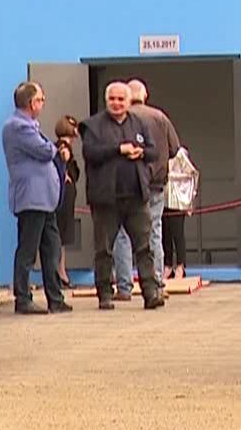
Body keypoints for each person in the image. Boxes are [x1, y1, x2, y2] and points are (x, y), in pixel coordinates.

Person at [80, 81, 164, 310]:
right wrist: (118, 149)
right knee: (104, 250)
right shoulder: (93, 125)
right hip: (106, 199)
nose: (116, 103)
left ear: (129, 101)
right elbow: (90, 153)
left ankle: (151, 292)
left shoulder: (139, 122)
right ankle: (105, 294)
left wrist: (141, 152)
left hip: (136, 196)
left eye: (121, 99)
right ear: (106, 100)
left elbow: (154, 151)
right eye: (112, 99)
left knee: (144, 247)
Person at [1, 82, 70, 315]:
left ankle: (55, 297)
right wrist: (55, 148)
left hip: (44, 200)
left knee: (52, 248)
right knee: (28, 250)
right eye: (41, 99)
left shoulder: (29, 125)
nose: (43, 103)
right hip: (32, 199)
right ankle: (22, 298)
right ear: (31, 103)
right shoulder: (18, 126)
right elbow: (45, 151)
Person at [118, 78, 180, 287]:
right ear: (145, 95)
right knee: (154, 231)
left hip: (127, 184)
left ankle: (125, 285)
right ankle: (157, 280)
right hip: (155, 183)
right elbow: (174, 149)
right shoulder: (160, 117)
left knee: (123, 235)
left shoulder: (121, 119)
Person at [163, 139, 199, 280]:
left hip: (178, 201)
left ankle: (180, 265)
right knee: (165, 233)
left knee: (177, 233)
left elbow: (192, 174)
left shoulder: (180, 154)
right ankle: (167, 265)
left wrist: (190, 200)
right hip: (163, 198)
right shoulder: (160, 153)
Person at [53, 115, 82, 289]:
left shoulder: (63, 147)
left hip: (66, 196)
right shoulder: (63, 148)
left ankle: (61, 271)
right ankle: (60, 273)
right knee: (60, 235)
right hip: (63, 198)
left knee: (61, 236)